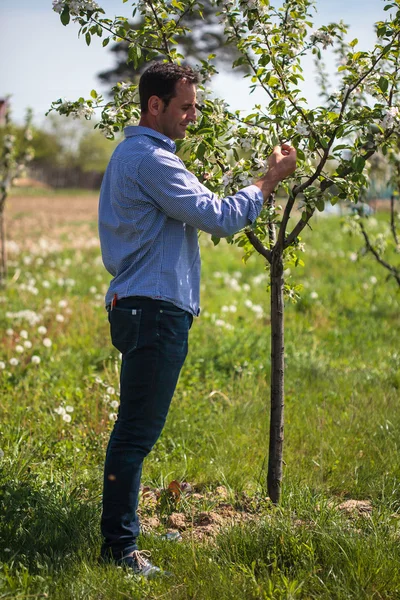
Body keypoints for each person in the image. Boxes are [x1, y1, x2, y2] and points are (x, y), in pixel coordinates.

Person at [98, 62, 297, 577]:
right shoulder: (151, 160)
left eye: (195, 104)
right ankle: (118, 551)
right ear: (154, 106)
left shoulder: (136, 156)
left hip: (141, 307)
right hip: (154, 311)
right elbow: (219, 216)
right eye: (184, 106)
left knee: (133, 429)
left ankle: (119, 542)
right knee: (135, 435)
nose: (194, 114)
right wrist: (268, 180)